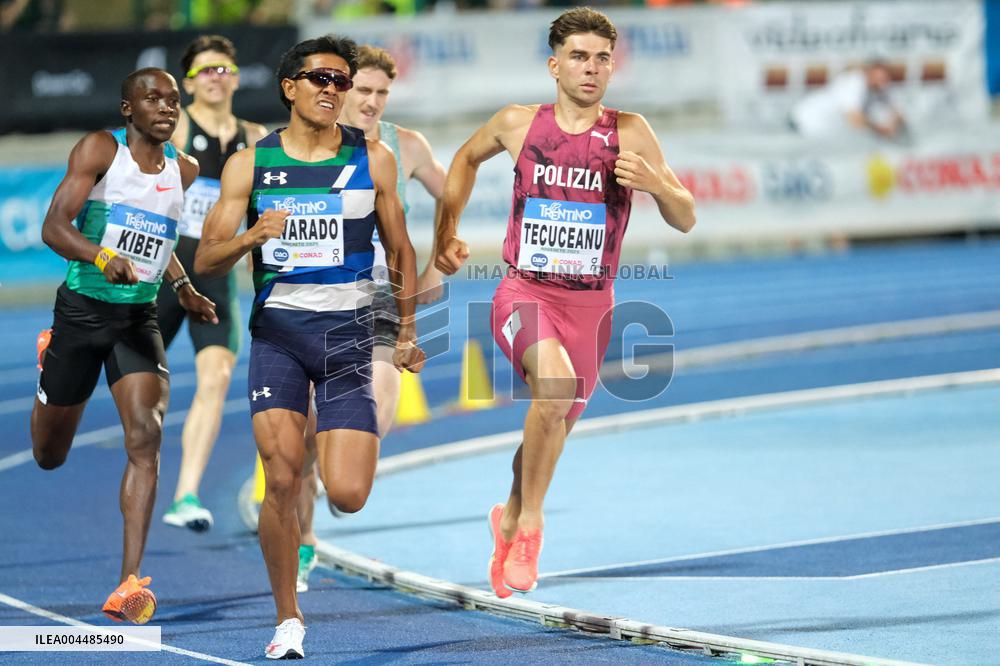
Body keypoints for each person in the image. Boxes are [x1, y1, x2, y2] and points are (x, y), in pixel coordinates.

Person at [434, 7, 695, 598]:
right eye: (579, 56)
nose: (592, 68)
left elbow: (686, 217)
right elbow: (464, 161)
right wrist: (444, 231)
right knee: (550, 393)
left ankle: (508, 513)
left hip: (591, 307)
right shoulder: (518, 122)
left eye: (602, 58)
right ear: (555, 65)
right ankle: (529, 527)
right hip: (524, 291)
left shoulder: (630, 131)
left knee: (546, 432)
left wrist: (657, 185)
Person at [194, 35, 425, 659]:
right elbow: (205, 256)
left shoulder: (373, 159)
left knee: (348, 494)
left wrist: (404, 331)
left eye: (341, 81)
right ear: (289, 86)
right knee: (281, 480)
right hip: (279, 338)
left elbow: (401, 249)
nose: (332, 89)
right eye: (320, 78)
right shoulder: (250, 165)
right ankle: (287, 618)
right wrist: (254, 237)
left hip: (351, 336)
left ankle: (324, 484)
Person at [31, 67, 217, 624]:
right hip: (82, 313)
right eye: (152, 99)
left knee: (147, 433)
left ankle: (128, 582)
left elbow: (159, 239)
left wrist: (182, 287)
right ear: (126, 110)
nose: (166, 107)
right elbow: (53, 226)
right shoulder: (99, 152)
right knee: (48, 455)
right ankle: (50, 358)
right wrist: (102, 257)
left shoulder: (185, 168)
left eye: (173, 101)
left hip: (139, 317)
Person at [294, 43, 447, 593]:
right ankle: (305, 542)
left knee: (380, 405)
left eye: (383, 93)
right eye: (364, 91)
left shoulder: (406, 146)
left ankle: (346, 466)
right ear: (340, 87)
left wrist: (437, 260)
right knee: (307, 429)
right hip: (313, 296)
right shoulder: (311, 142)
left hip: (380, 293)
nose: (373, 102)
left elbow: (451, 192)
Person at [158, 35, 267, 532]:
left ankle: (185, 496)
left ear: (237, 77)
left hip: (215, 279)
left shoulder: (256, 136)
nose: (215, 77)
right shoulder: (176, 126)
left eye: (223, 68)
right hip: (162, 270)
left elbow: (260, 214)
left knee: (216, 379)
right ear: (188, 83)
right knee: (127, 379)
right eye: (205, 70)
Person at [790, 60, 906, 140]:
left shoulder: (877, 88)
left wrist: (894, 124)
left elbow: (897, 112)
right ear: (868, 73)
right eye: (879, 78)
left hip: (821, 129)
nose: (882, 83)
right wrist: (881, 130)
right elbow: (855, 119)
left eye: (884, 79)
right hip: (805, 121)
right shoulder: (855, 82)